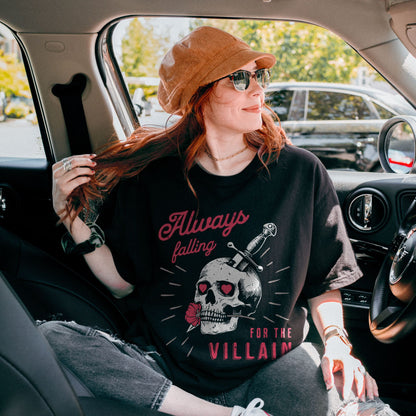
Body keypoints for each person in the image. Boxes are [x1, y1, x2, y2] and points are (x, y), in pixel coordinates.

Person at [43, 26, 399, 416]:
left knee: (365, 407)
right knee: (52, 337)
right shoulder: (151, 179)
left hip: (274, 367)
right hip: (168, 373)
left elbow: (324, 281)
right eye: (239, 79)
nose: (258, 90)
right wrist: (71, 216)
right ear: (198, 96)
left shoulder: (300, 173)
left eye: (259, 76)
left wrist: (336, 342)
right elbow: (122, 283)